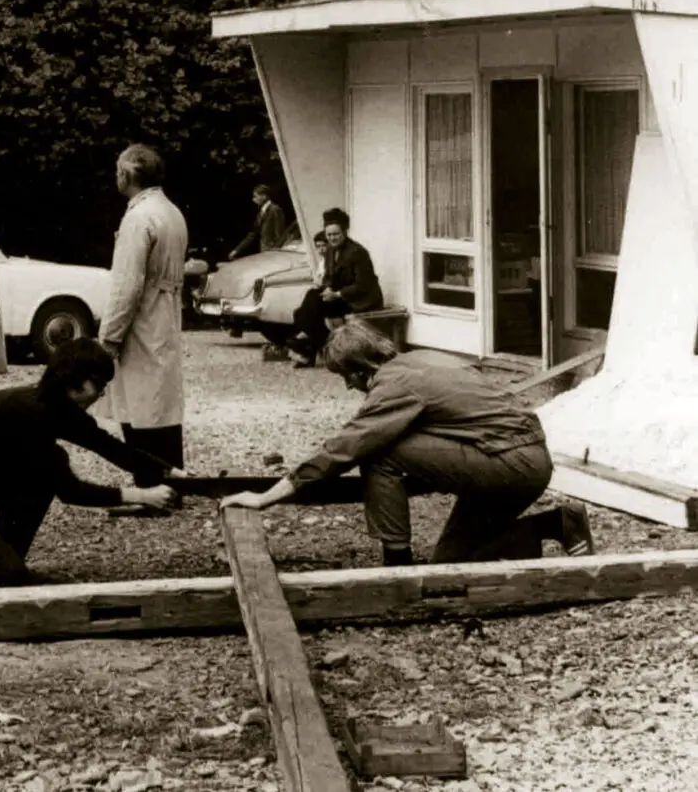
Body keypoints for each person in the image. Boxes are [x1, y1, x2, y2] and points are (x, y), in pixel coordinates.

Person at [220, 321, 594, 566]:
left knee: (382, 453)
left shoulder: (395, 385)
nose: (348, 386)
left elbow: (347, 446)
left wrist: (267, 496)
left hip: (512, 464)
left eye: (346, 377)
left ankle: (396, 564)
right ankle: (558, 524)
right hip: (519, 458)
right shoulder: (421, 359)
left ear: (362, 368)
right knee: (449, 563)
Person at [0, 339, 178, 588]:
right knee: (9, 575)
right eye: (99, 387)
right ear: (75, 382)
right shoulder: (32, 414)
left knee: (40, 477)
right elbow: (71, 491)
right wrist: (142, 496)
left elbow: (111, 447)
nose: (99, 395)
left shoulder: (55, 405)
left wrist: (172, 472)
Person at [100, 144, 188, 472]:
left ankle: (151, 482)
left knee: (140, 399)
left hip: (144, 313)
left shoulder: (139, 217)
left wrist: (109, 336)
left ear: (128, 174)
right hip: (165, 309)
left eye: (118, 171)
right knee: (161, 396)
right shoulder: (170, 210)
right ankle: (171, 475)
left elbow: (127, 284)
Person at [286, 207, 384, 368]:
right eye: (329, 235)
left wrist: (337, 294)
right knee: (310, 299)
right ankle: (313, 346)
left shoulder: (358, 253)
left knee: (317, 308)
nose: (332, 238)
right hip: (339, 296)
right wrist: (327, 289)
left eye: (336, 234)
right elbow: (329, 277)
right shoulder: (331, 251)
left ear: (345, 232)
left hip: (361, 299)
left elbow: (364, 285)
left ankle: (307, 347)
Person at [228, 184, 286, 260]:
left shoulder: (275, 210)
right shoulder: (260, 213)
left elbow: (280, 235)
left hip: (274, 253)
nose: (253, 200)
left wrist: (277, 251)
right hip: (265, 252)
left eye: (255, 196)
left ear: (264, 196)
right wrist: (237, 250)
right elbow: (252, 234)